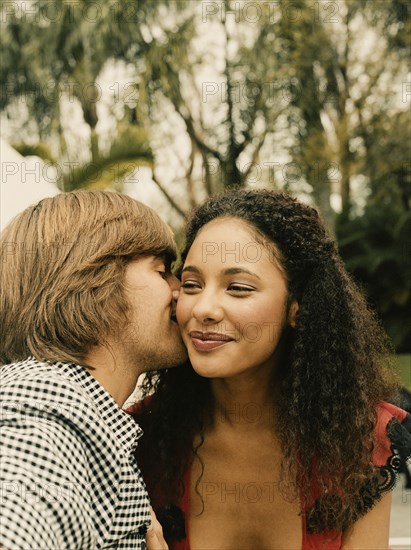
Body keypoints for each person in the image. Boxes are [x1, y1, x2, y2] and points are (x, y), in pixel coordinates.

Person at [130, 189, 411, 549]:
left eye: (238, 288)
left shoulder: (358, 440)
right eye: (191, 284)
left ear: (297, 306)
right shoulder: (138, 439)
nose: (204, 308)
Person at [0, 190, 187, 549]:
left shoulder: (90, 422)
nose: (180, 291)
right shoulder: (44, 407)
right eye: (162, 272)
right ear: (96, 282)